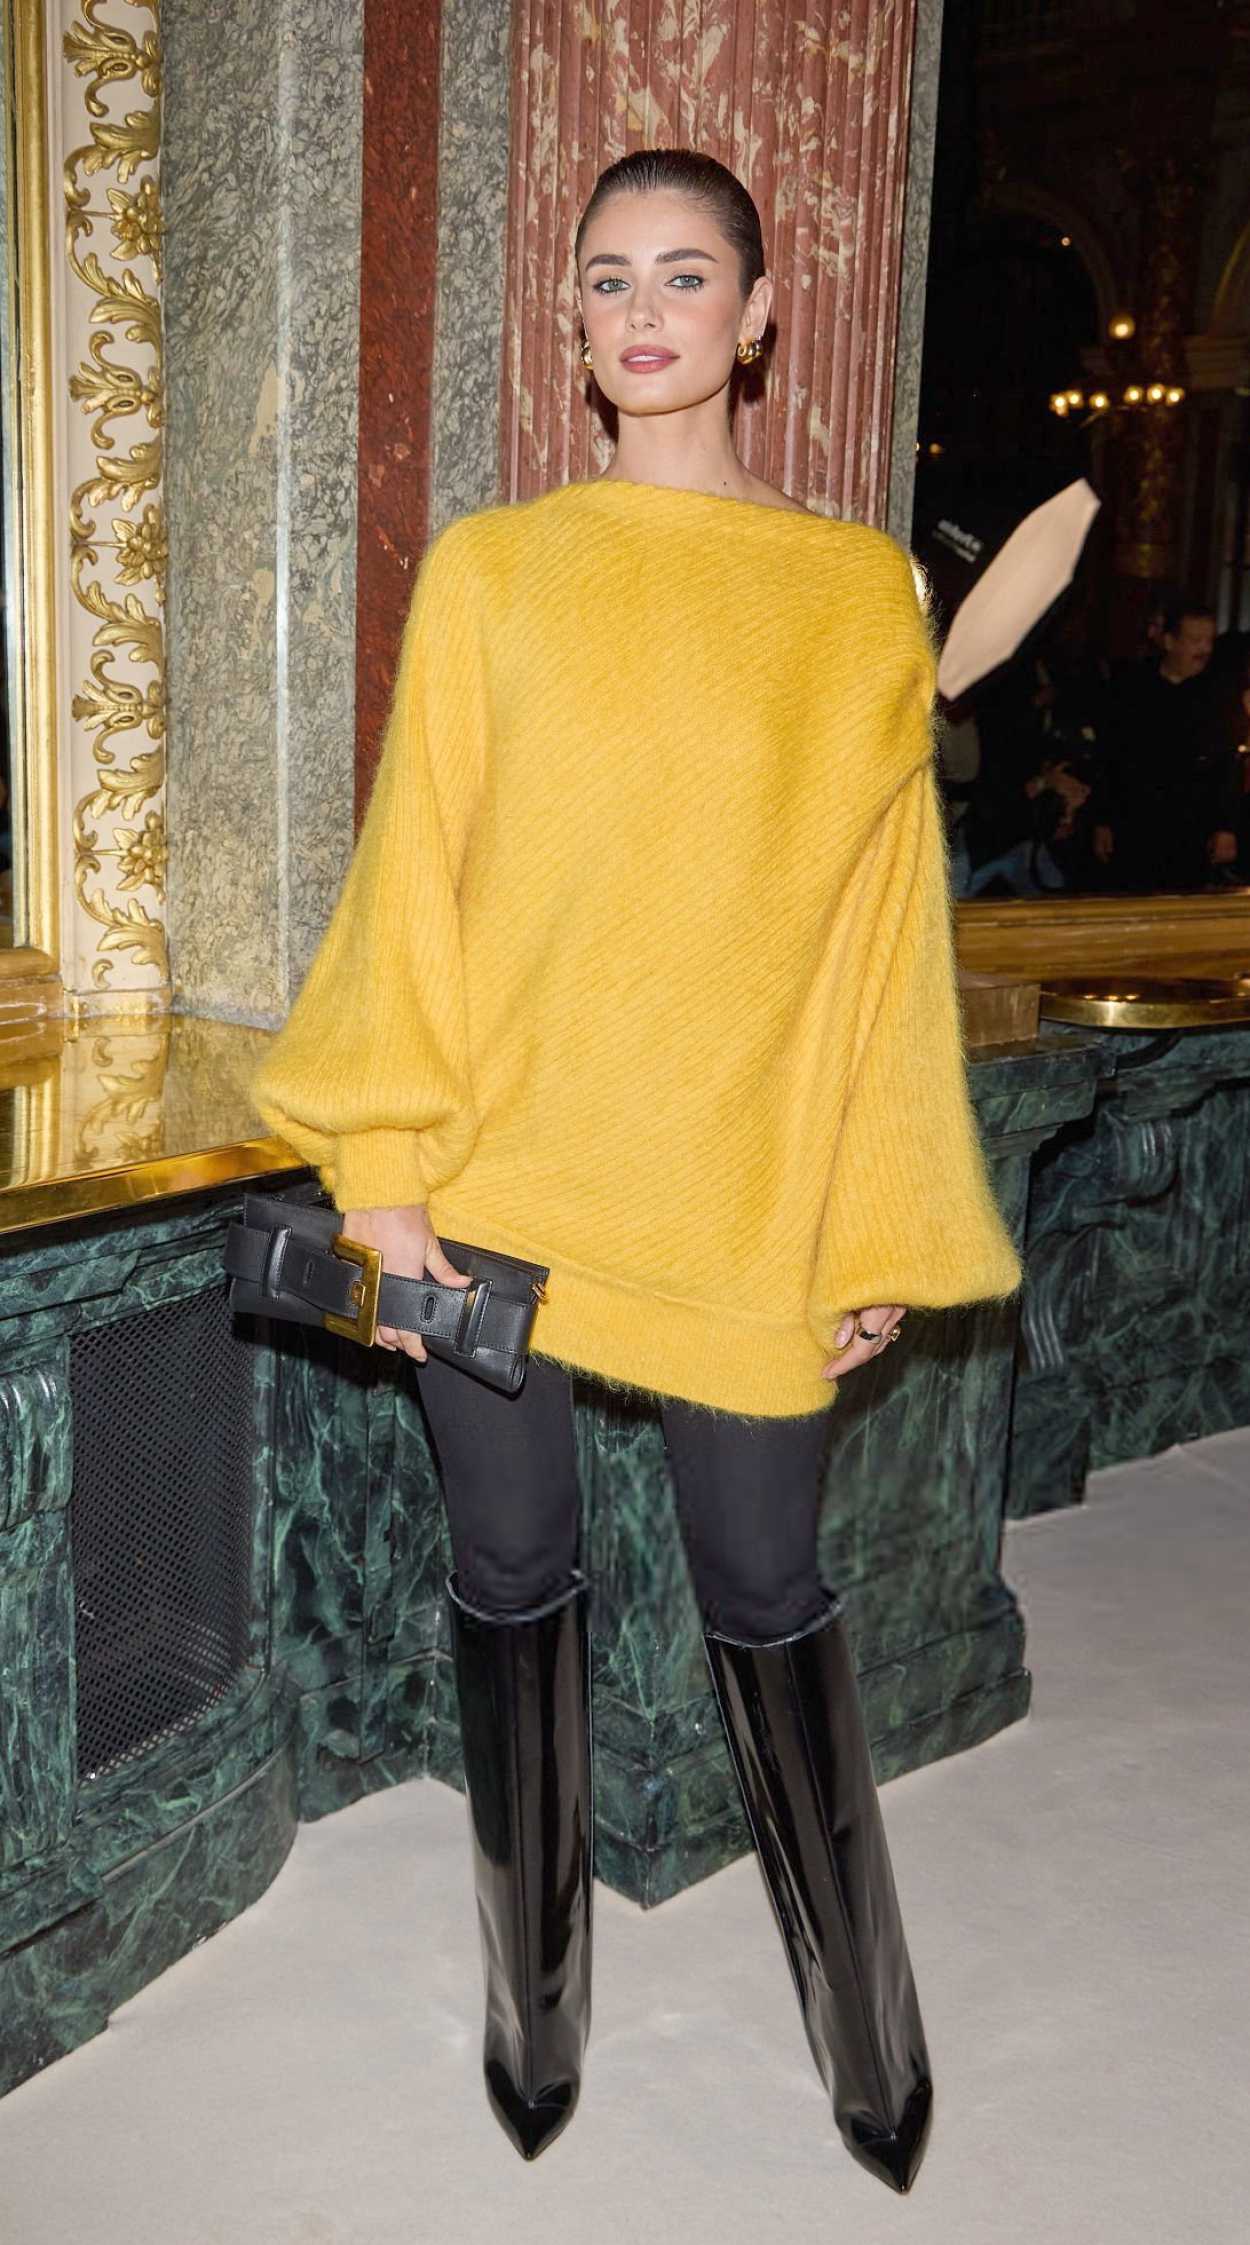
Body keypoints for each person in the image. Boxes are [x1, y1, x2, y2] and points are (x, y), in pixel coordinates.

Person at [251, 148, 1023, 2189]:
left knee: (768, 1587)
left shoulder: (851, 593)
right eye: (609, 278)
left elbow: (880, 948)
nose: (646, 311)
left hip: (741, 1195)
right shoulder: (497, 569)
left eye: (689, 275)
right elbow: (415, 883)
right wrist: (385, 1178)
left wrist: (873, 1214)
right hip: (493, 1185)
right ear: (575, 322)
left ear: (759, 317)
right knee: (510, 1578)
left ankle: (870, 2041)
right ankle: (534, 2016)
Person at [1092, 598, 1240, 890]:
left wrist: (1226, 828)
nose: (1205, 650)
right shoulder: (1131, 687)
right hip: (1134, 823)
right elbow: (1110, 758)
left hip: (1192, 827)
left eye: (1209, 640)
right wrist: (1102, 820)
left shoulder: (1218, 694)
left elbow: (1227, 767)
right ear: (1169, 641)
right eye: (1195, 640)